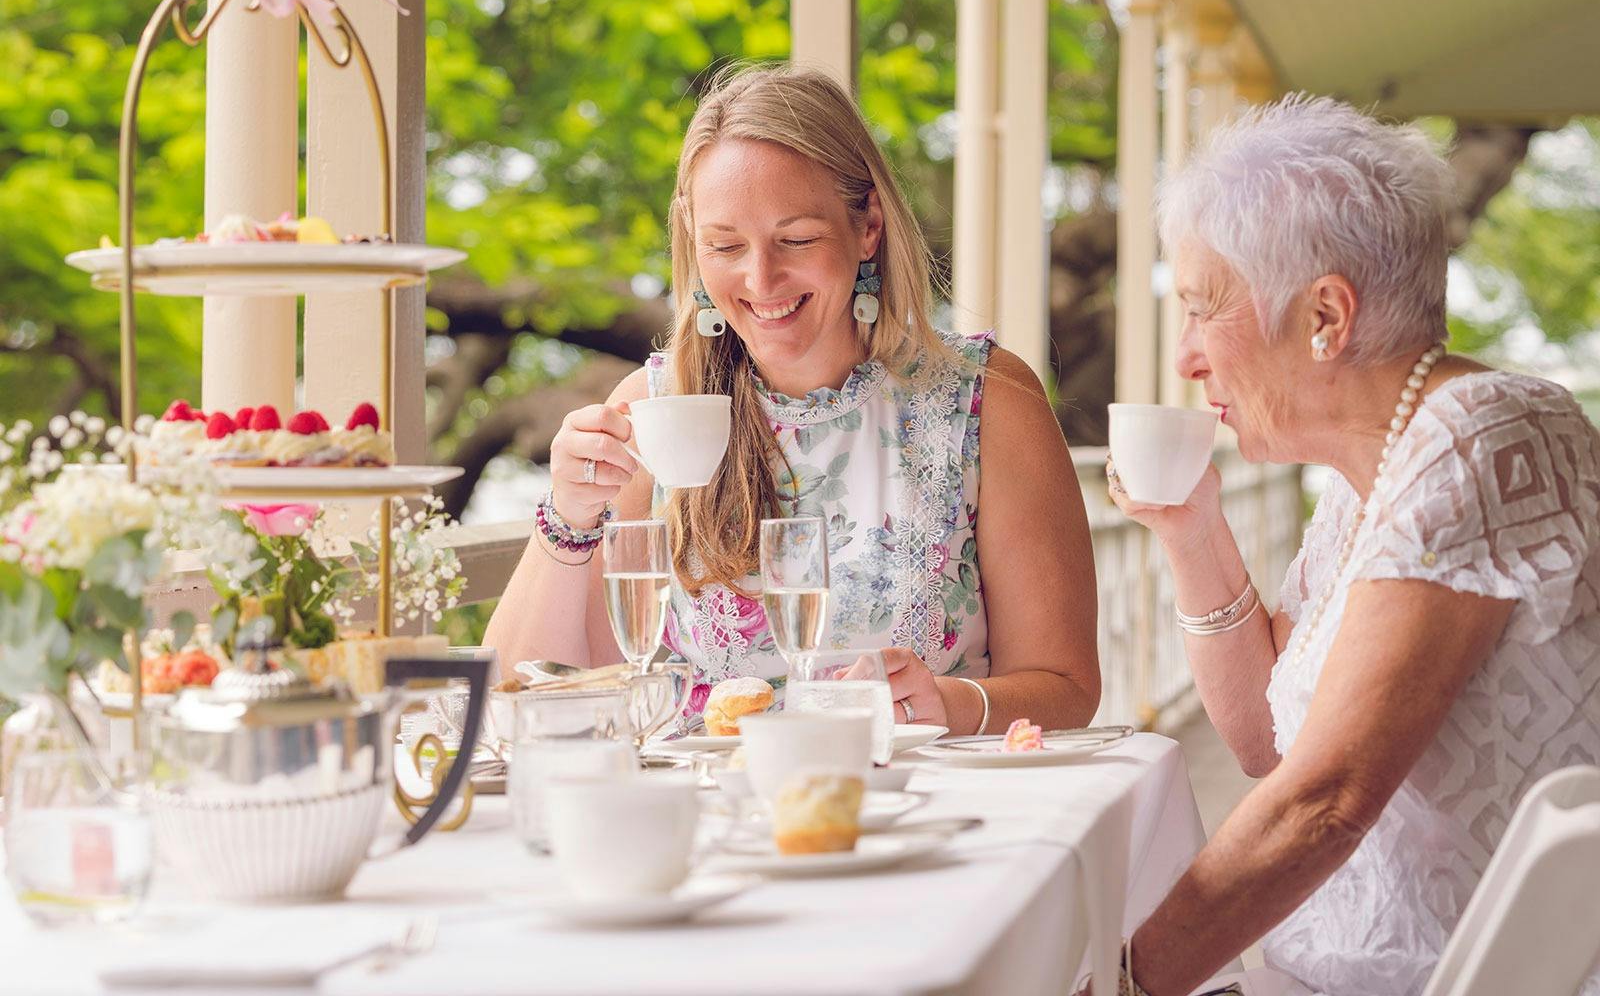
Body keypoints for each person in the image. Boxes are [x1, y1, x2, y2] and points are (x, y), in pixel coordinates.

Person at [1105, 96, 1600, 996]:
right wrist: (1194, 530)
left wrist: (1125, 982)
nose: (1185, 358)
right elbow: (1269, 746)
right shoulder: (1371, 470)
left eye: (1203, 310)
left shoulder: (1482, 437)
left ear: (1326, 316)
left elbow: (1325, 800)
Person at [487, 64, 1100, 734]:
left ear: (867, 227)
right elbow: (520, 696)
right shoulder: (655, 411)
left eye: (797, 239)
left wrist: (949, 705)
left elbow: (1066, 686)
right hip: (710, 799)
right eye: (725, 245)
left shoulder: (986, 399)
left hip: (917, 794)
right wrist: (569, 515)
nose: (761, 279)